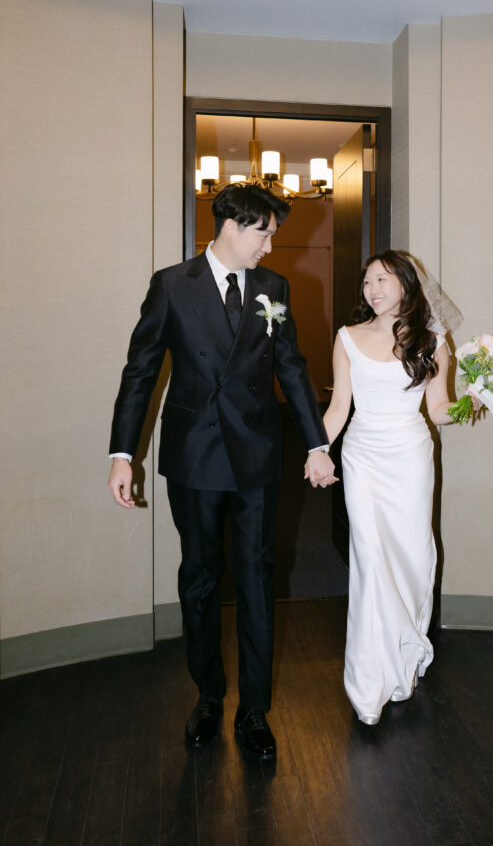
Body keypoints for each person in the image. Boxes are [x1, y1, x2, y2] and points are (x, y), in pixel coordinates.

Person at [108, 183, 335, 756]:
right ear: (232, 226)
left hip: (258, 455)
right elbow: (140, 372)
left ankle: (254, 711)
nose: (271, 246)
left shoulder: (273, 288)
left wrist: (315, 444)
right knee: (202, 579)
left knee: (258, 578)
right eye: (265, 233)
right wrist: (121, 454)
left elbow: (291, 365)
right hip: (195, 457)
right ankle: (208, 695)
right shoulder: (172, 286)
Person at [322, 250, 455, 725]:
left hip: (411, 456)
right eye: (367, 281)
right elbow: (339, 408)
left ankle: (405, 653)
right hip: (363, 456)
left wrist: (471, 404)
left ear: (406, 285)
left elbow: (438, 408)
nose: (372, 289)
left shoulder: (433, 341)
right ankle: (368, 682)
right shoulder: (348, 337)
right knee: (371, 559)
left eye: (382, 279)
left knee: (413, 557)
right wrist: (317, 449)